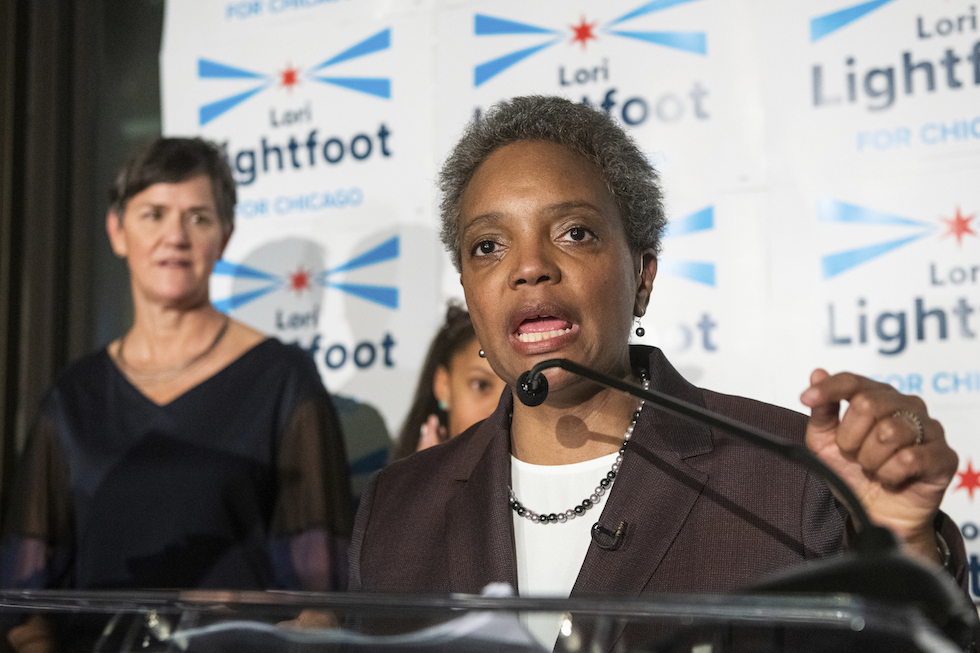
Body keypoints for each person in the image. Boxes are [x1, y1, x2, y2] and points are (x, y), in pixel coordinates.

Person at [348, 97, 966, 650]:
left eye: (574, 232)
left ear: (642, 276)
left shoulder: (792, 477)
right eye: (489, 245)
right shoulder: (398, 510)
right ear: (469, 292)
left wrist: (905, 547)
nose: (530, 267)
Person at [1, 138, 354, 650]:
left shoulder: (283, 380)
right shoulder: (72, 398)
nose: (175, 236)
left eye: (198, 218)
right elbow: (23, 599)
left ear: (224, 236)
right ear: (117, 232)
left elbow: (325, 599)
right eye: (154, 214)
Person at [393, 302, 506, 460]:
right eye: (481, 385)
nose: (502, 408)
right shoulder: (391, 483)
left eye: (517, 390)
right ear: (443, 385)